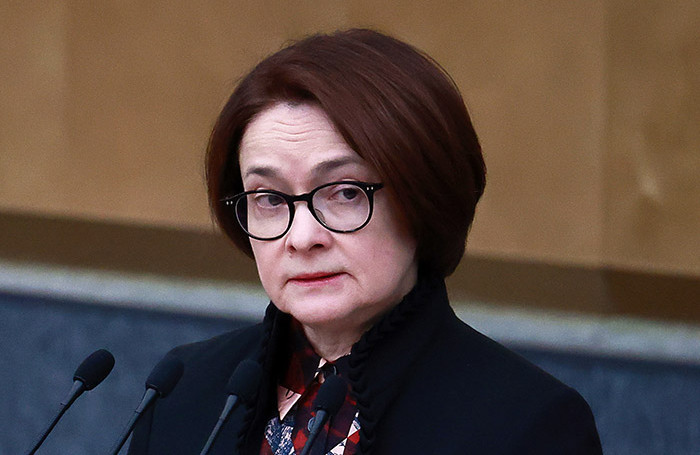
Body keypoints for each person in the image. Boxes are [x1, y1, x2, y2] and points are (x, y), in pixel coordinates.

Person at [128, 28, 602, 454]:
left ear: (424, 199)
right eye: (269, 198)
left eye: (346, 193)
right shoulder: (182, 390)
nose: (301, 237)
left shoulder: (528, 425)